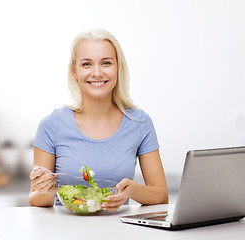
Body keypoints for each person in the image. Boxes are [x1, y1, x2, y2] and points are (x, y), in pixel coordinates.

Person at [29, 28, 168, 211]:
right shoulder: (51, 125)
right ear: (74, 71)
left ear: (118, 68)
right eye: (86, 64)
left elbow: (161, 195)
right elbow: (36, 199)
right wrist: (44, 189)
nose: (97, 72)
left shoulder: (139, 122)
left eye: (106, 63)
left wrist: (133, 191)